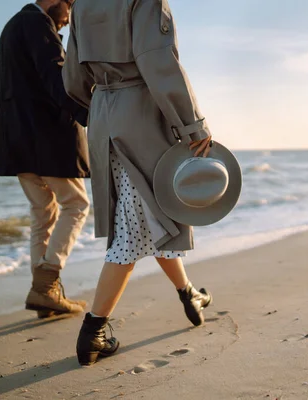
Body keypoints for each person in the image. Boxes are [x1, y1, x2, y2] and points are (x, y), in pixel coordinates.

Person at [63, 0, 214, 366]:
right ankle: (93, 332)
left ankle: (188, 292)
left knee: (147, 214)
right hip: (142, 114)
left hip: (103, 115)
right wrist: (192, 125)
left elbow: (71, 80)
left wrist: (102, 111)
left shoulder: (81, 3)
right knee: (133, 230)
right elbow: (158, 62)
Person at [0, 0, 91, 318]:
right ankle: (46, 286)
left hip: (18, 141)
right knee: (77, 206)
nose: (67, 19)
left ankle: (44, 297)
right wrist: (90, 115)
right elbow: (57, 79)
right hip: (47, 139)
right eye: (70, 7)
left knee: (43, 215)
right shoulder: (38, 24)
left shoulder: (11, 26)